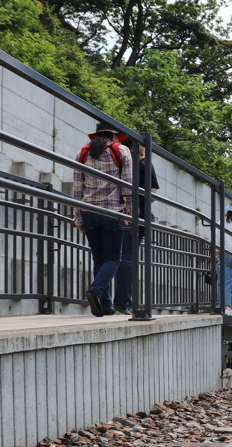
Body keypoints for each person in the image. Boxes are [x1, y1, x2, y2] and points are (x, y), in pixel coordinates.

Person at [73, 123, 132, 317]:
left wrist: (77, 215)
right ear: (114, 135)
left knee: (98, 258)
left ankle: (106, 305)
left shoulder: (82, 152)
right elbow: (127, 184)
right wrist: (129, 211)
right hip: (112, 211)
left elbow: (77, 187)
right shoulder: (121, 150)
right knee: (114, 258)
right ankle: (96, 290)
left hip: (89, 211)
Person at [113, 138, 159, 315]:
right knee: (128, 258)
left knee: (112, 257)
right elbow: (153, 195)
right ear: (137, 145)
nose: (145, 148)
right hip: (137, 216)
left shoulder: (117, 160)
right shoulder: (144, 164)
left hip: (116, 212)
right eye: (143, 144)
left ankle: (111, 300)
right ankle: (122, 302)